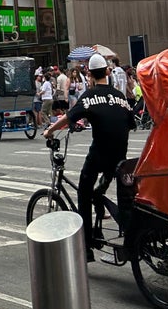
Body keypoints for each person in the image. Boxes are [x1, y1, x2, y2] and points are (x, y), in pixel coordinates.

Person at [43, 53, 135, 261]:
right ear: (108, 72)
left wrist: (49, 130)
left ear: (90, 75)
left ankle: (86, 246)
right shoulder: (120, 97)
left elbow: (68, 117)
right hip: (120, 157)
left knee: (84, 191)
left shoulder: (90, 96)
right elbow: (130, 124)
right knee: (101, 187)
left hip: (100, 155)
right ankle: (100, 206)